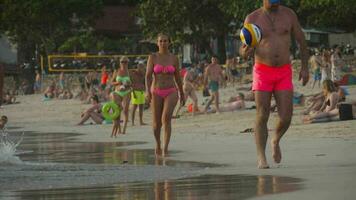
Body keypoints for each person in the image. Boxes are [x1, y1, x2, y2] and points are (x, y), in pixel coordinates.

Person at [239, 0, 309, 169]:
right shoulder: (252, 18)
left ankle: (275, 139)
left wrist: (305, 67)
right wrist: (245, 52)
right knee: (262, 114)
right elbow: (242, 49)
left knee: (286, 117)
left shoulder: (289, 14)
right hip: (262, 71)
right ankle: (261, 157)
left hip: (284, 70)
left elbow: (301, 40)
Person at [145, 33, 184, 157]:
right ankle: (158, 144)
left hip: (171, 90)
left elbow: (178, 77)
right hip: (156, 91)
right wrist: (147, 92)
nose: (163, 43)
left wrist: (182, 93)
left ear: (169, 42)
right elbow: (147, 76)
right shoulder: (153, 57)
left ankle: (166, 148)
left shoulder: (174, 58)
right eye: (161, 41)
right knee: (156, 124)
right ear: (157, 43)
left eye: (165, 41)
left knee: (166, 118)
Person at [111, 56, 131, 135]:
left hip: (127, 92)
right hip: (117, 91)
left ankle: (124, 129)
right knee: (117, 110)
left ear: (128, 63)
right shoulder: (116, 71)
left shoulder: (130, 72)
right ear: (120, 63)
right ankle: (118, 129)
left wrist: (128, 84)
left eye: (125, 62)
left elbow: (133, 84)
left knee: (125, 110)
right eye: (122, 62)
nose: (124, 64)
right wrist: (118, 83)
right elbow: (111, 82)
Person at [130, 62, 147, 126]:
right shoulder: (133, 73)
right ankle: (132, 122)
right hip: (135, 91)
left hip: (141, 91)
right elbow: (131, 83)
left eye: (143, 68)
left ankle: (141, 121)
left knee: (141, 107)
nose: (143, 69)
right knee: (134, 106)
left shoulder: (142, 74)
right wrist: (133, 92)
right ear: (139, 67)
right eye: (142, 68)